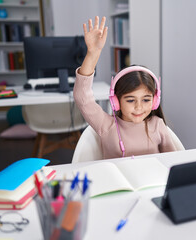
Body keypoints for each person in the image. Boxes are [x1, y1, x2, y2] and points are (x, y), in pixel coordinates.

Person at [73, 16, 177, 159]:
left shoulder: (157, 125)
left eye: (146, 100)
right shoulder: (106, 126)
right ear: (116, 101)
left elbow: (174, 161)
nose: (139, 107)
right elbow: (82, 97)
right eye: (130, 100)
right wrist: (93, 53)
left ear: (155, 101)